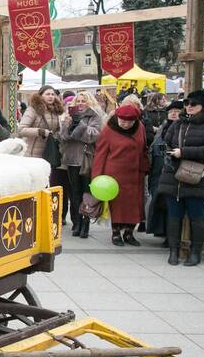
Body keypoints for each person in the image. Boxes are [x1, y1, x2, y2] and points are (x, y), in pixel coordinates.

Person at [157, 90, 204, 266]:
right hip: (174, 175)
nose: (189, 107)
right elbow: (165, 141)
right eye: (187, 103)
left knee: (196, 216)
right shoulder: (178, 124)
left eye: (194, 104)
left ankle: (196, 252)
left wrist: (184, 152)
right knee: (174, 216)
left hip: (197, 176)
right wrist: (168, 153)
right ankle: (173, 251)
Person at [92, 104, 149, 246]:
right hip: (115, 175)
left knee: (135, 205)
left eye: (129, 122)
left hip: (135, 174)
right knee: (117, 206)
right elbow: (100, 154)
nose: (125, 124)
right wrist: (97, 177)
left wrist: (145, 167)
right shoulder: (108, 130)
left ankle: (129, 233)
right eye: (122, 121)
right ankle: (116, 233)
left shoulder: (140, 127)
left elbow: (144, 149)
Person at [19, 85, 68, 223]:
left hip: (48, 154)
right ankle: (29, 214)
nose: (51, 96)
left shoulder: (56, 111)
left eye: (53, 94)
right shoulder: (33, 110)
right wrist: (40, 132)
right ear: (41, 96)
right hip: (32, 153)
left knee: (45, 186)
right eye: (48, 94)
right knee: (33, 186)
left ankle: (41, 215)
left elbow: (57, 129)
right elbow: (21, 129)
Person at [59, 91, 105, 239]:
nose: (80, 104)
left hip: (86, 158)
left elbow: (94, 135)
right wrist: (68, 123)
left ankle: (85, 224)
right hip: (71, 158)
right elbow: (63, 137)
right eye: (77, 101)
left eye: (83, 101)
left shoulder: (95, 116)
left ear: (89, 102)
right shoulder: (69, 116)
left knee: (86, 193)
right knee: (75, 193)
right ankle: (76, 222)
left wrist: (81, 124)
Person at [146, 100, 184, 241]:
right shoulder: (164, 127)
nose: (173, 114)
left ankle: (172, 236)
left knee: (170, 204)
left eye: (177, 111)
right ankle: (162, 230)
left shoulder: (183, 128)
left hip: (173, 170)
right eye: (171, 111)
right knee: (159, 201)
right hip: (158, 169)